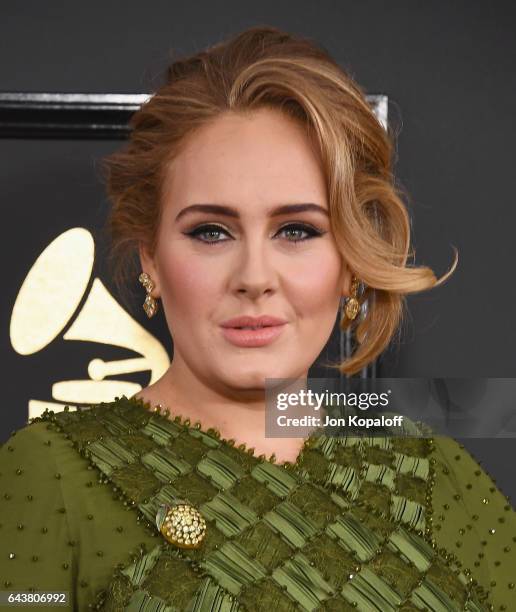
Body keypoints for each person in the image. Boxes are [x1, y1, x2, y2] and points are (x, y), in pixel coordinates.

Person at [1, 25, 514, 612]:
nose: (254, 275)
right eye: (210, 232)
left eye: (297, 230)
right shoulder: (53, 476)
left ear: (350, 258)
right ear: (151, 257)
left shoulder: (436, 474)